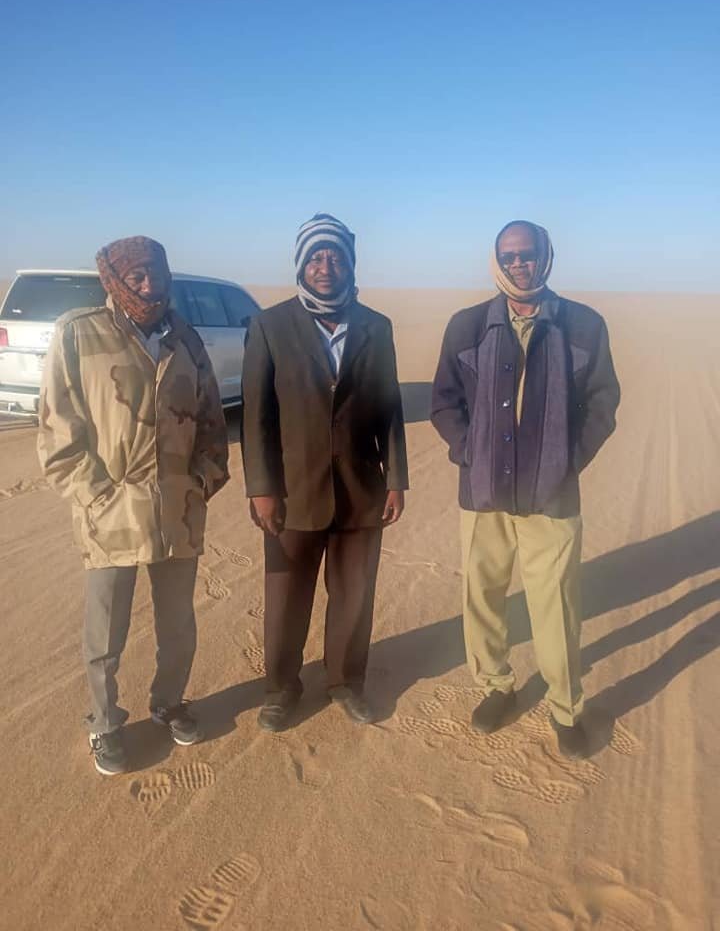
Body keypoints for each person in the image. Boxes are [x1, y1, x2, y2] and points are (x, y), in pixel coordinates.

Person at [37, 236, 229, 775]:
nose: (150, 284)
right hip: (110, 514)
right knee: (105, 634)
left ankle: (169, 703)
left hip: (177, 512)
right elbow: (57, 433)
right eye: (137, 275)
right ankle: (104, 722)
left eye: (156, 273)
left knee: (178, 625)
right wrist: (96, 496)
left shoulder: (186, 339)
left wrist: (200, 482)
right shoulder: (79, 334)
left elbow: (213, 423)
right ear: (114, 279)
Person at [431, 220, 620, 758]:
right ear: (497, 261)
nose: (519, 264)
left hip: (552, 496)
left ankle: (566, 709)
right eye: (509, 256)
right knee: (483, 597)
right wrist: (468, 451)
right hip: (483, 493)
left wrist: (568, 461)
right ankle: (497, 687)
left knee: (556, 604)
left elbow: (602, 404)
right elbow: (444, 401)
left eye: (528, 254)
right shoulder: (468, 326)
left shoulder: (583, 325)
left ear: (545, 257)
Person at [241, 213, 408, 731]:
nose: (325, 265)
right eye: (315, 256)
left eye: (335, 256)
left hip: (361, 487)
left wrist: (396, 477)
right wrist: (262, 488)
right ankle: (281, 688)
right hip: (292, 492)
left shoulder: (376, 326)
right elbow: (256, 416)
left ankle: (345, 682)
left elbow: (390, 406)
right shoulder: (270, 326)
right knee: (286, 598)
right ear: (301, 264)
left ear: (350, 264)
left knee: (354, 595)